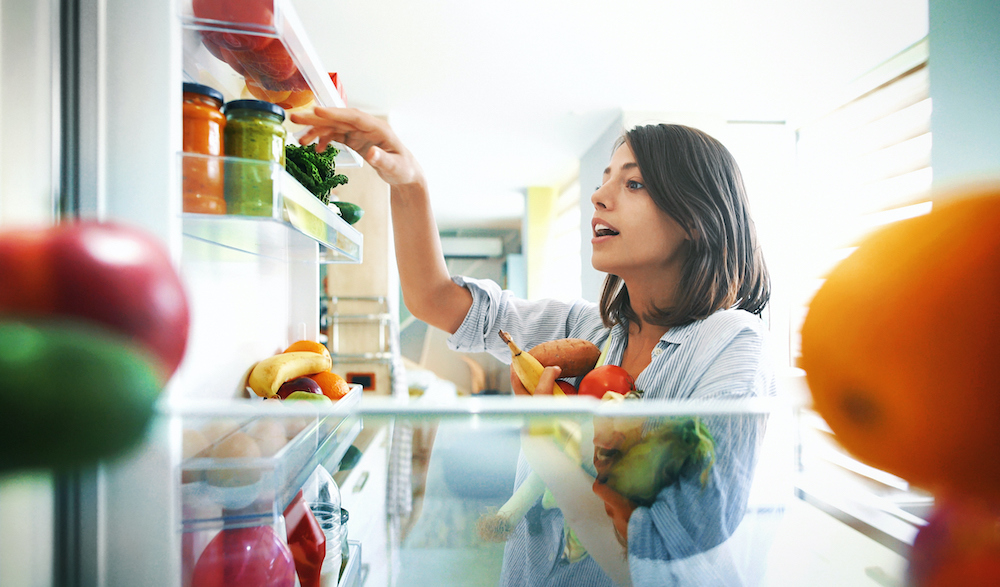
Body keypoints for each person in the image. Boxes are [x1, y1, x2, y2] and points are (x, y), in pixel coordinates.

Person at [291, 107, 776, 586]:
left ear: (695, 218)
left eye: (633, 184)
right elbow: (433, 298)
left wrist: (546, 442)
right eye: (605, 178)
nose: (599, 195)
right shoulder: (589, 329)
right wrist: (408, 181)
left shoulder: (731, 343)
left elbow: (666, 553)